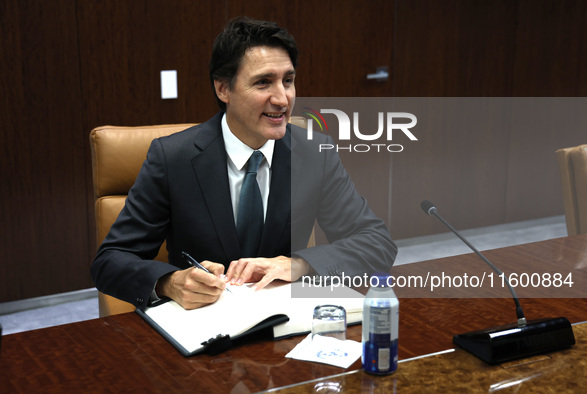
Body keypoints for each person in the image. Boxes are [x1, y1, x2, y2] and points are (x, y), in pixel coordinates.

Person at [91, 17, 397, 311]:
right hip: (202, 324)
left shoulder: (315, 153)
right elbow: (110, 260)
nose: (282, 99)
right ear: (223, 89)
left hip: (285, 322)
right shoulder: (173, 158)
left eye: (287, 81)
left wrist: (299, 264)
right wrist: (170, 283)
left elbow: (377, 244)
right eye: (263, 83)